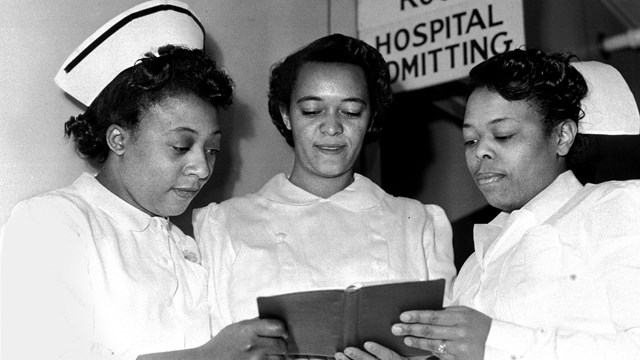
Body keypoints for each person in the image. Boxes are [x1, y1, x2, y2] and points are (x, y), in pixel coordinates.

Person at [0, 2, 286, 359]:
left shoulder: (186, 247)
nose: (202, 168)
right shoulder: (50, 223)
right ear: (118, 140)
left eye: (212, 149)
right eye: (181, 146)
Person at [336, 48, 640, 360]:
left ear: (562, 136)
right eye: (471, 140)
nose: (481, 152)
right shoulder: (474, 264)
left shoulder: (619, 205)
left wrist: (493, 340)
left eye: (504, 135)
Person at [193, 33, 456, 352]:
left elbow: (447, 349)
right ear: (287, 114)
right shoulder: (223, 225)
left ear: (370, 117)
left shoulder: (417, 224)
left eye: (351, 111)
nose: (331, 127)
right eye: (312, 110)